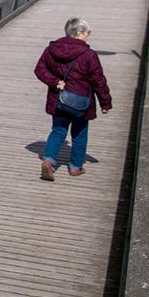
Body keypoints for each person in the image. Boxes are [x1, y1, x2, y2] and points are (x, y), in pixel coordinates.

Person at [33, 17, 113, 181]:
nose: (88, 35)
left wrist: (54, 82)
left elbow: (40, 69)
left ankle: (48, 161)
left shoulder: (51, 49)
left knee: (58, 130)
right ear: (79, 33)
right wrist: (105, 102)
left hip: (59, 99)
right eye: (87, 32)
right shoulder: (89, 55)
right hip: (81, 101)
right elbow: (98, 80)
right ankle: (76, 167)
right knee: (79, 134)